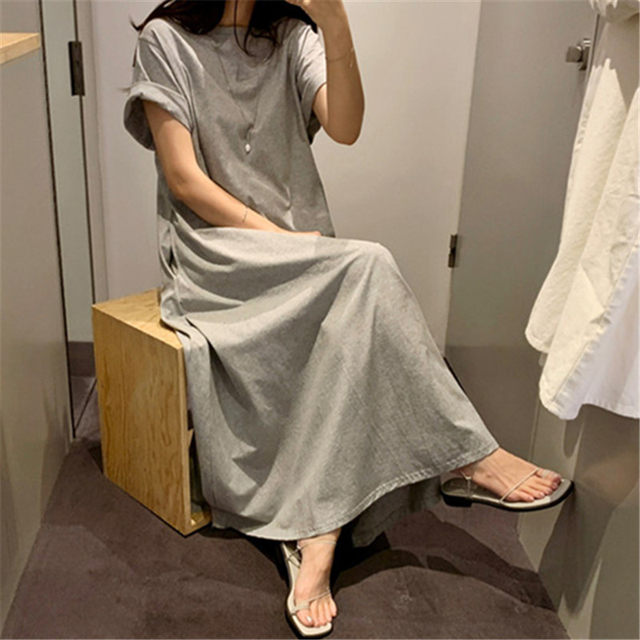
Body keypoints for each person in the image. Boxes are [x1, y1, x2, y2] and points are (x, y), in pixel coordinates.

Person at [122, 0, 573, 635]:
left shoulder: (290, 36)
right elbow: (184, 180)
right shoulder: (165, 41)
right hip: (217, 252)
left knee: (357, 290)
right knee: (367, 265)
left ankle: (319, 535)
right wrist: (280, 241)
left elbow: (347, 125)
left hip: (302, 250)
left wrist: (334, 19)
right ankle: (469, 457)